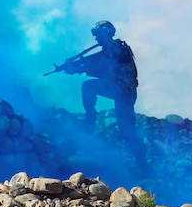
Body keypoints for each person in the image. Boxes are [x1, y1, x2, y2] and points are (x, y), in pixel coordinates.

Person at [61, 20, 145, 165]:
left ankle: (89, 122)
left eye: (98, 35)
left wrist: (78, 68)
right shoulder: (110, 50)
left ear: (106, 34)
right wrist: (76, 67)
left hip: (123, 90)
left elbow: (103, 66)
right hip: (122, 91)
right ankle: (143, 164)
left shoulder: (118, 49)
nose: (96, 39)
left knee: (127, 131)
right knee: (127, 131)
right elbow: (100, 66)